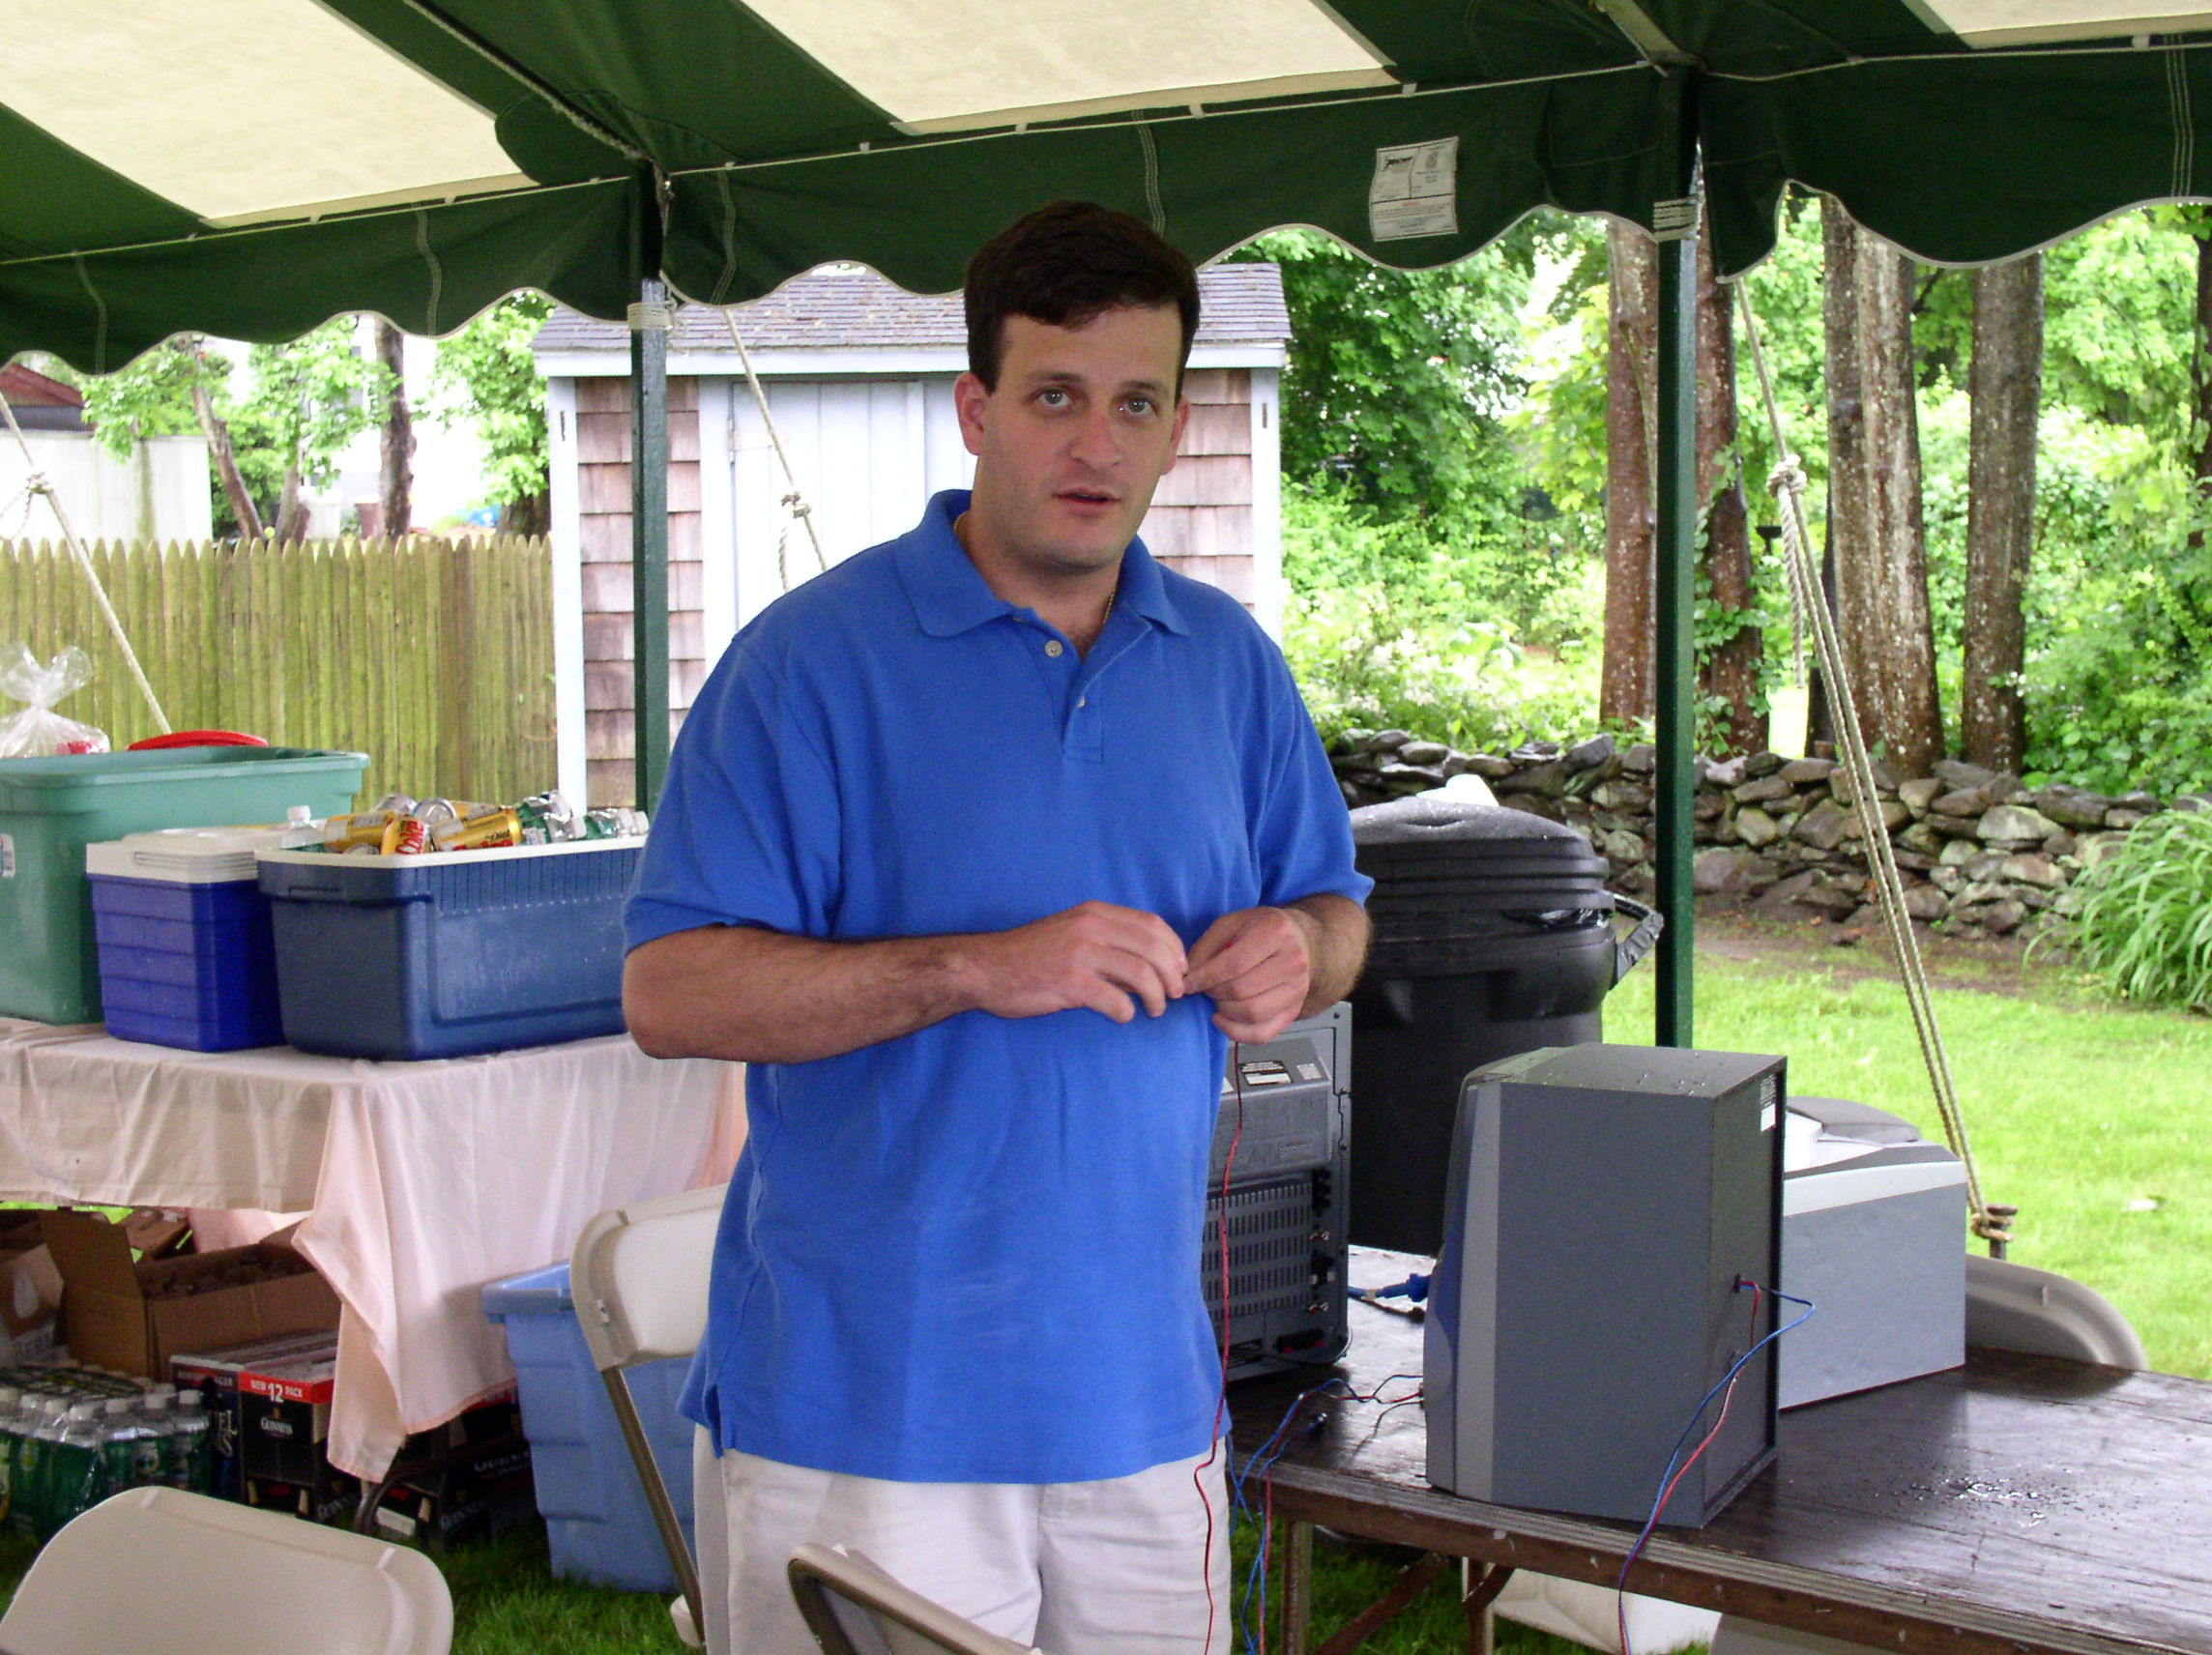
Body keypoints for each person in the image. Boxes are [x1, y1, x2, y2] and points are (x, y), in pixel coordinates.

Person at [623, 200, 1372, 1655]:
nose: (1096, 446)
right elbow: (672, 993)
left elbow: (1337, 913)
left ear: (1175, 427)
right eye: (1054, 397)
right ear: (976, 411)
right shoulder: (807, 665)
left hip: (1142, 1402)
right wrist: (979, 967)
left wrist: (1301, 946)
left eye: (1136, 404)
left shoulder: (1225, 665)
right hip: (865, 1408)